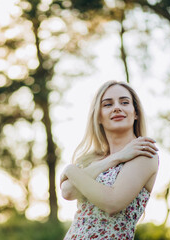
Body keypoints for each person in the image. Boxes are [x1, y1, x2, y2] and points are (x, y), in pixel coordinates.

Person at [60, 81, 159, 239]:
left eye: (124, 102)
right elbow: (67, 191)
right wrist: (115, 158)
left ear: (136, 113)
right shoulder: (91, 158)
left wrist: (69, 170)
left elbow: (112, 203)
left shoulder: (144, 153)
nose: (117, 107)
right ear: (98, 116)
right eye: (107, 104)